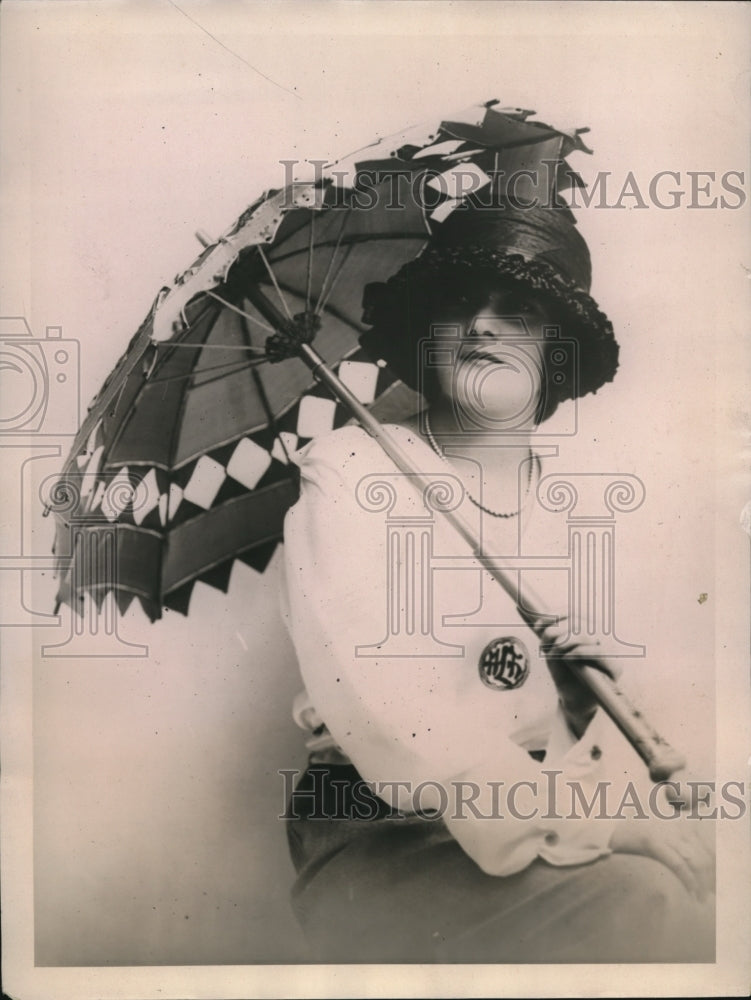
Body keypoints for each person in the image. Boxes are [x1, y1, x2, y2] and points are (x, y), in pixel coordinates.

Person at [278, 197, 715, 963]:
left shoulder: (574, 503)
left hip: (535, 812)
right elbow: (390, 713)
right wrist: (598, 823)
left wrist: (577, 709)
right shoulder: (356, 470)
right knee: (643, 903)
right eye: (458, 306)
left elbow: (558, 731)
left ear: (554, 351)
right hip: (385, 833)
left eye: (514, 310)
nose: (480, 325)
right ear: (427, 335)